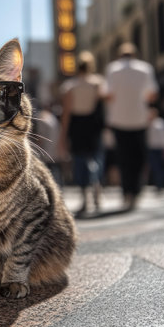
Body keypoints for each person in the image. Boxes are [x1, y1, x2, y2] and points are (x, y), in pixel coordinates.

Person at [105, 43, 158, 210]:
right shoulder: (145, 68)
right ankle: (136, 191)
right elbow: (152, 95)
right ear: (134, 54)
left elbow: (109, 95)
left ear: (120, 55)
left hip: (119, 120)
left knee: (123, 158)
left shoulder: (112, 69)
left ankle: (127, 192)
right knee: (139, 157)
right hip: (139, 119)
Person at [59, 51, 105, 215]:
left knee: (79, 161)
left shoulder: (70, 86)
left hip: (77, 125)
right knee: (95, 158)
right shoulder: (97, 83)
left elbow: (66, 114)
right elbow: (102, 105)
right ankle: (97, 189)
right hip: (93, 123)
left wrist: (63, 136)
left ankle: (85, 198)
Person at [147, 108, 164, 193]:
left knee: (163, 168)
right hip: (151, 149)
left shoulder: (161, 123)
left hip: (161, 148)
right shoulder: (147, 122)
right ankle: (158, 186)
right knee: (155, 168)